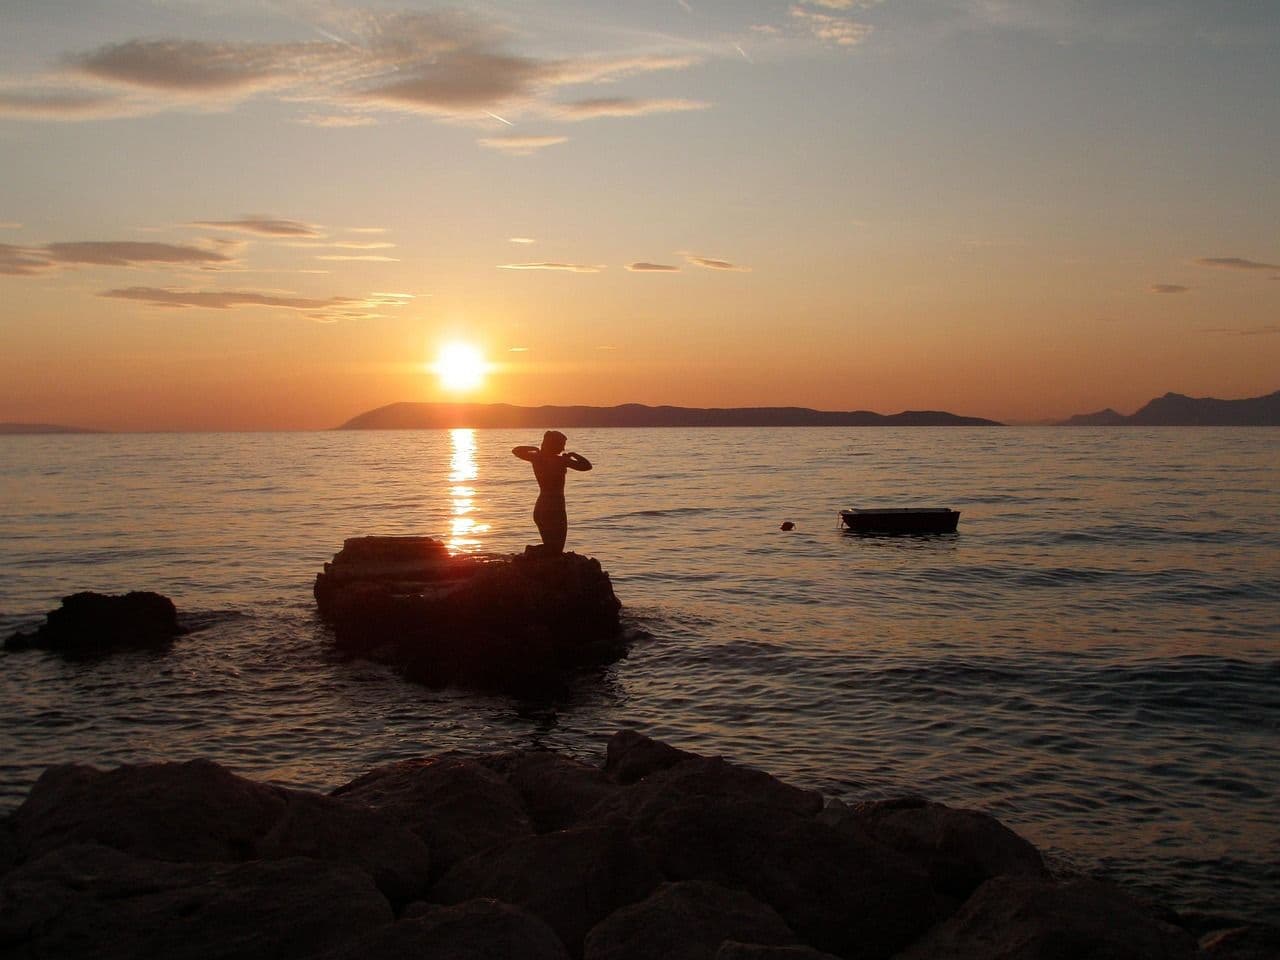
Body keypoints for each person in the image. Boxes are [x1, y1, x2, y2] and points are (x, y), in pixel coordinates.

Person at [512, 431, 592, 555]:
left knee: (554, 548)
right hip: (552, 506)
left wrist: (533, 449)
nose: (563, 448)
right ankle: (530, 553)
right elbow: (586, 466)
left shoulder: (538, 458)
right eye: (562, 444)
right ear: (554, 444)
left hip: (546, 505)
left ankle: (531, 555)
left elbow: (517, 451)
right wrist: (574, 455)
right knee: (555, 549)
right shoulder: (559, 461)